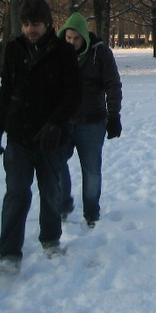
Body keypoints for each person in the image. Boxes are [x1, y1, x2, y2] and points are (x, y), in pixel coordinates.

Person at [0, 0, 82, 276]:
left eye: (36, 24)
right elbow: (6, 92)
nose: (31, 29)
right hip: (19, 135)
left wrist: (56, 123)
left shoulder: (63, 53)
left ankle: (51, 240)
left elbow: (73, 94)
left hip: (50, 139)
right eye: (27, 24)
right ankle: (9, 253)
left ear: (48, 23)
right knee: (16, 194)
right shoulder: (15, 50)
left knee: (51, 191)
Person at [57, 12, 123, 229]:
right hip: (62, 121)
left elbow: (113, 84)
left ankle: (91, 213)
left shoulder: (100, 53)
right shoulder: (56, 53)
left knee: (91, 170)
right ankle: (63, 203)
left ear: (84, 36)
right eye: (68, 38)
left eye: (76, 38)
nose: (72, 42)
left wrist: (114, 116)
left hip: (92, 122)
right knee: (55, 163)